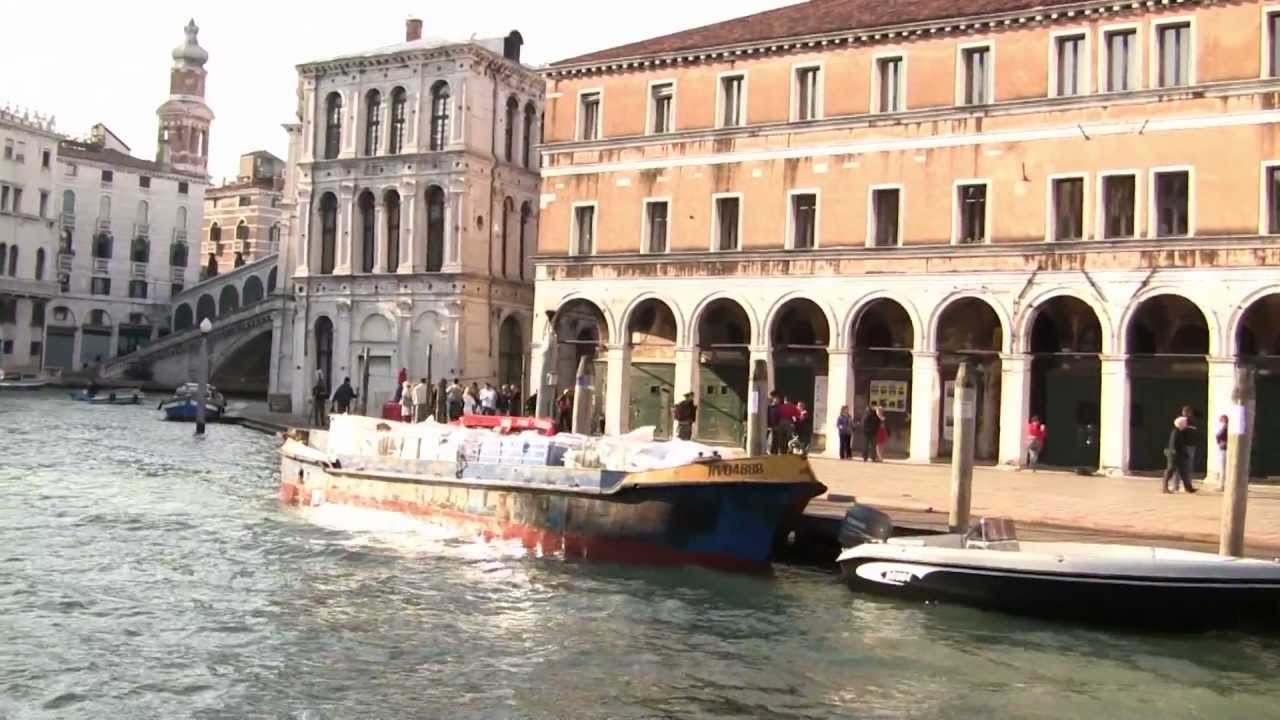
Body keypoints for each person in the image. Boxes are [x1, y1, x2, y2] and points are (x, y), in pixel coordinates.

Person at [1163, 415, 1197, 494]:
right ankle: (1165, 488)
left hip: (1179, 455)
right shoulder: (1176, 431)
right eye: (1185, 423)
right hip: (1174, 455)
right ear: (1181, 423)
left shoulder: (1180, 431)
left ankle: (1189, 488)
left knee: (1183, 472)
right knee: (1170, 470)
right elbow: (1173, 444)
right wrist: (1174, 454)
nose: (1186, 424)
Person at [1215, 414, 1229, 481]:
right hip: (1224, 447)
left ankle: (1222, 484)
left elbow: (1218, 435)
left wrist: (1218, 442)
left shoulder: (1225, 427)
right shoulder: (1227, 427)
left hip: (1223, 448)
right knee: (1223, 466)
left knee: (1222, 467)